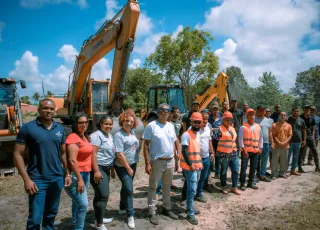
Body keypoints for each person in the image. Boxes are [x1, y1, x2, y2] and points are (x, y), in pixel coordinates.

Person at [13, 99, 71, 230]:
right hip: (37, 179)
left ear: (55, 111)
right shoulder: (28, 128)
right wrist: (27, 180)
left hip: (56, 178)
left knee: (51, 215)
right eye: (45, 108)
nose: (48, 111)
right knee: (35, 218)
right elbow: (17, 154)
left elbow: (63, 153)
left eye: (51, 109)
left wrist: (67, 173)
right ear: (39, 109)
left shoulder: (60, 129)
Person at [143, 103, 179, 226]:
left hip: (170, 160)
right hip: (157, 161)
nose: (165, 112)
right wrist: (147, 163)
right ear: (158, 112)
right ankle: (152, 212)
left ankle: (166, 208)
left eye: (167, 110)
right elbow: (146, 145)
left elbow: (174, 143)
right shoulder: (151, 126)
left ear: (169, 113)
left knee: (167, 187)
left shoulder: (171, 126)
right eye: (162, 110)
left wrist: (176, 161)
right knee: (153, 187)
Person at [64, 113, 93, 230]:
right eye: (81, 122)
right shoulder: (73, 138)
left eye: (86, 122)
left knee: (77, 202)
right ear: (75, 124)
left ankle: (75, 223)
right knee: (83, 204)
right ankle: (79, 228)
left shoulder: (84, 136)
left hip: (85, 173)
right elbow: (72, 160)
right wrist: (79, 179)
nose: (84, 124)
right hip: (76, 175)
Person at [113, 110, 140, 229]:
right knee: (129, 189)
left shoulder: (132, 132)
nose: (128, 123)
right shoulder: (119, 135)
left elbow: (135, 146)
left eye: (131, 122)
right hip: (122, 166)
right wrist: (128, 168)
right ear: (122, 121)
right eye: (126, 121)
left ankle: (122, 207)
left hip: (132, 163)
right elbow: (119, 154)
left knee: (126, 187)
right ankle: (130, 215)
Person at [90, 116, 116, 230]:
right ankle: (99, 224)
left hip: (107, 168)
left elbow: (111, 153)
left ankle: (99, 218)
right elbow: (93, 154)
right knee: (103, 195)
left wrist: (112, 169)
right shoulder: (96, 136)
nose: (108, 126)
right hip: (98, 168)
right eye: (106, 124)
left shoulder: (110, 136)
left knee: (99, 195)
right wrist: (96, 171)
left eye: (110, 124)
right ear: (100, 124)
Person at [180, 112, 203, 225]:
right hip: (190, 167)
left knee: (193, 189)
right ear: (191, 122)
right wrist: (190, 165)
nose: (197, 124)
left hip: (197, 166)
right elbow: (184, 150)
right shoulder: (186, 135)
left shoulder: (198, 134)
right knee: (192, 190)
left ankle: (191, 208)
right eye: (195, 122)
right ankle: (190, 213)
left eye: (199, 122)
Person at [212, 111, 240, 195]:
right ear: (223, 120)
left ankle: (234, 187)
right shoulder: (219, 130)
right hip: (223, 154)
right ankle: (223, 186)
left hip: (233, 153)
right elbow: (214, 142)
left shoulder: (233, 129)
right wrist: (216, 152)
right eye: (227, 120)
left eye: (230, 120)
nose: (229, 121)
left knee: (235, 170)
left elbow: (234, 140)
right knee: (223, 171)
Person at [239, 108, 263, 191]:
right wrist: (244, 150)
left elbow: (261, 138)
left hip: (255, 151)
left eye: (253, 114)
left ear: (254, 115)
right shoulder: (243, 127)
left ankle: (251, 182)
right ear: (247, 115)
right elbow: (240, 139)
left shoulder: (258, 126)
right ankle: (242, 183)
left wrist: (260, 147)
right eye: (250, 114)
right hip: (246, 151)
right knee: (244, 168)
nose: (251, 116)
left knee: (253, 167)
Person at [195, 109, 215, 202]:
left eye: (207, 119)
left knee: (203, 177)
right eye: (203, 119)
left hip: (206, 157)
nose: (205, 121)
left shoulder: (208, 127)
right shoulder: (195, 128)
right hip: (196, 158)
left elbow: (209, 140)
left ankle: (199, 194)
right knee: (193, 179)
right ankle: (187, 196)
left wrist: (212, 152)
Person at [298, 106, 320, 173]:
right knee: (301, 153)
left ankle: (317, 167)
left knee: (315, 152)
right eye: (306, 109)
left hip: (310, 137)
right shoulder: (300, 118)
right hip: (302, 137)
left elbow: (313, 127)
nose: (307, 110)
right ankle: (299, 167)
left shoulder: (311, 118)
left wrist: (312, 135)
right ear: (303, 109)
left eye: (308, 109)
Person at [255, 106, 273, 182]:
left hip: (266, 143)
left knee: (264, 160)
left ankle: (262, 175)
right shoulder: (254, 119)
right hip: (256, 143)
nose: (262, 112)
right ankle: (254, 176)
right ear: (257, 111)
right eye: (260, 110)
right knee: (255, 160)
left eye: (263, 111)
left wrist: (272, 143)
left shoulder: (268, 120)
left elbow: (270, 132)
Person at [271, 112, 292, 179]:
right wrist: (279, 142)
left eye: (284, 115)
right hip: (277, 145)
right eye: (281, 115)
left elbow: (290, 135)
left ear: (286, 116)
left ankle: (282, 173)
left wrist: (285, 142)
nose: (283, 116)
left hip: (285, 146)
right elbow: (274, 135)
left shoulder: (289, 125)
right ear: (279, 116)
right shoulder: (274, 125)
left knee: (284, 160)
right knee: (275, 160)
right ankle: (274, 174)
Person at [287, 107, 306, 176]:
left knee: (296, 156)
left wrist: (304, 140)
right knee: (288, 156)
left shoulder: (301, 120)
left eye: (297, 111)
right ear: (292, 112)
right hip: (289, 141)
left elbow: (304, 131)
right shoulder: (288, 119)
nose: (296, 112)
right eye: (294, 111)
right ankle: (286, 171)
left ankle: (293, 170)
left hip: (298, 141)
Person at [208, 104, 222, 178]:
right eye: (214, 109)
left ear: (219, 111)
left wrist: (216, 129)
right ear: (211, 111)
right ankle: (209, 172)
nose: (215, 111)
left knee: (217, 157)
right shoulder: (209, 119)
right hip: (210, 140)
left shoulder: (221, 119)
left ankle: (217, 173)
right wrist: (213, 129)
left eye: (216, 109)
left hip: (219, 141)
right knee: (210, 155)